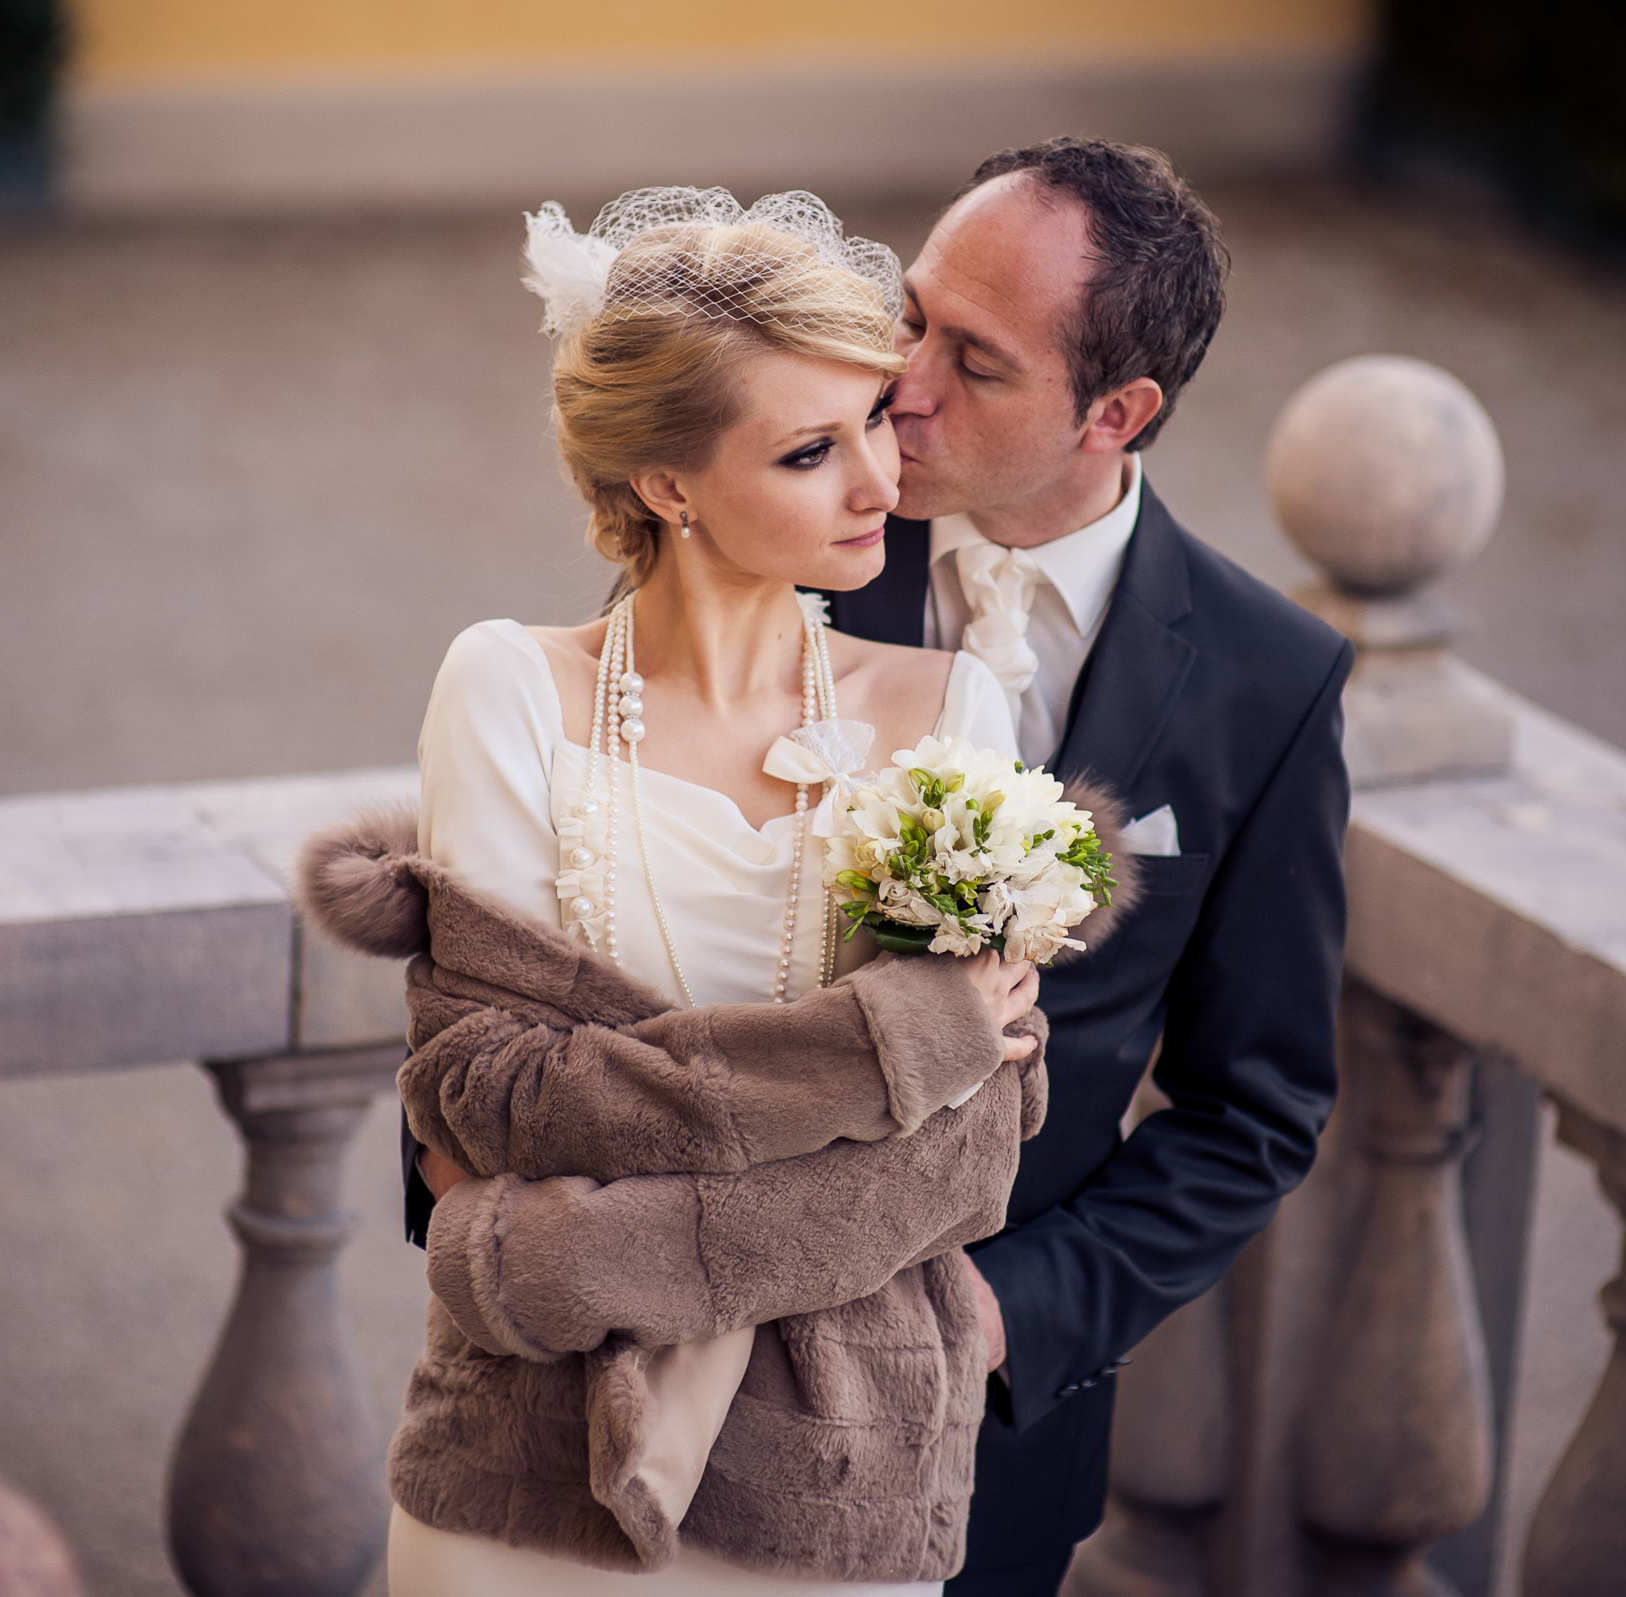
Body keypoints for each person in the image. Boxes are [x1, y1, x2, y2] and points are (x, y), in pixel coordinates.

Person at [314, 189, 1136, 1596]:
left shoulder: (955, 710)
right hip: (527, 1470)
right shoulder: (509, 688)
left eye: (878, 418)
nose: (882, 481)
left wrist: (565, 1250)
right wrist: (896, 1048)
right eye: (813, 450)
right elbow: (489, 1091)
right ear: (669, 485)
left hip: (838, 1475)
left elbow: (968, 1150)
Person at [820, 138, 1353, 1595]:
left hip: (982, 1442)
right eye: (909, 312)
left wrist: (1010, 1314)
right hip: (673, 1361)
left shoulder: (1268, 680)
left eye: (974, 362)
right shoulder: (770, 535)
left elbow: (1257, 1105)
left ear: (1117, 412)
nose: (902, 385)